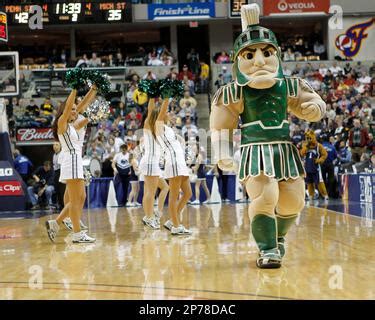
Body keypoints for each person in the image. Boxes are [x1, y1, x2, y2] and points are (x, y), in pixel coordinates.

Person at [210, 4, 326, 268]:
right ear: (238, 62)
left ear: (278, 56)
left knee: (294, 201)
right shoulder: (233, 92)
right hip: (255, 152)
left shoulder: (291, 85)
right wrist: (223, 152)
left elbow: (313, 102)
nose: (259, 61)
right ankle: (267, 249)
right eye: (249, 55)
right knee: (266, 196)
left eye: (266, 53)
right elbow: (221, 127)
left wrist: (315, 108)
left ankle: (278, 236)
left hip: (285, 151)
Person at [46, 85, 97, 243]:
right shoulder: (62, 122)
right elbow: (69, 107)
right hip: (71, 161)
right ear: (65, 111)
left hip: (75, 162)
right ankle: (77, 233)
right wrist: (75, 88)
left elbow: (84, 107)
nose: (75, 111)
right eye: (72, 109)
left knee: (80, 197)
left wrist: (94, 89)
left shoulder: (73, 126)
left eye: (76, 109)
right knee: (76, 200)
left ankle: (57, 223)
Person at [155, 97, 193, 235]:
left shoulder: (169, 129)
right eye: (167, 112)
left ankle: (172, 220)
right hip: (173, 162)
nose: (169, 114)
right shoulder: (158, 126)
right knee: (174, 196)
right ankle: (176, 226)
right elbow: (162, 112)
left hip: (180, 163)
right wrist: (167, 97)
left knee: (188, 193)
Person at [138, 98, 163, 229]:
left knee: (149, 191)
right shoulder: (148, 125)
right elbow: (150, 110)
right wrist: (152, 97)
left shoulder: (157, 129)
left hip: (150, 162)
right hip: (149, 162)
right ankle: (149, 217)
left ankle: (147, 216)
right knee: (150, 192)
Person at [52, 142, 65, 210]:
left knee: (62, 190)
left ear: (60, 146)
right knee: (57, 190)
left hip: (61, 171)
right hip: (56, 173)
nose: (55, 146)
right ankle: (60, 205)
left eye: (57, 145)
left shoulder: (62, 154)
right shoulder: (54, 155)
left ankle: (64, 206)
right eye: (54, 145)